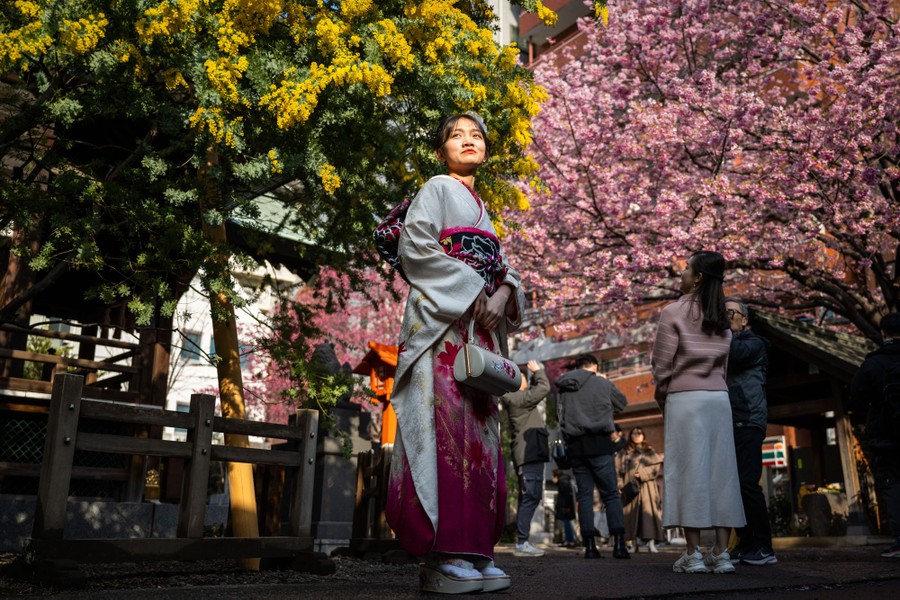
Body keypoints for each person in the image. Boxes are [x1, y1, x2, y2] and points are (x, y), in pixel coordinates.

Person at [384, 112, 525, 594]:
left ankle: (476, 551)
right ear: (442, 148)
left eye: (477, 136)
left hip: (479, 330)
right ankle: (442, 553)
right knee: (444, 429)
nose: (469, 141)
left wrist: (503, 294)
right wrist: (472, 290)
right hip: (444, 330)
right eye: (456, 136)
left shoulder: (481, 207)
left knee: (481, 436)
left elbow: (503, 268)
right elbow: (415, 248)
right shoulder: (436, 189)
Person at [651, 250, 745, 575]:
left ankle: (692, 554)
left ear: (698, 277)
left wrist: (662, 396)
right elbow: (725, 365)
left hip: (685, 399)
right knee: (722, 472)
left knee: (687, 471)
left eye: (687, 268)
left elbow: (662, 367)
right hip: (718, 398)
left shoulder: (672, 312)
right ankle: (721, 553)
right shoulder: (722, 317)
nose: (682, 273)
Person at [555, 353, 630, 559]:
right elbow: (622, 403)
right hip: (601, 444)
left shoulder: (564, 387)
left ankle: (589, 546)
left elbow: (558, 417)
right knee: (611, 495)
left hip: (576, 448)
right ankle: (619, 546)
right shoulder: (601, 383)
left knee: (585, 496)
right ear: (594, 367)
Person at [724, 298, 777, 566]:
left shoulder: (754, 343)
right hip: (728, 422)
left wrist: (722, 331)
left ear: (744, 320)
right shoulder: (726, 341)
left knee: (747, 483)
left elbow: (736, 353)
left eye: (730, 312)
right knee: (732, 487)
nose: (725, 316)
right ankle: (745, 544)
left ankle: (764, 547)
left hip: (748, 420)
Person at [850, 312, 900, 559]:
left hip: (884, 433)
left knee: (892, 484)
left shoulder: (873, 363)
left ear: (882, 334)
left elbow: (857, 396)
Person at [500, 360, 551, 557]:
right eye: (522, 377)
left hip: (530, 454)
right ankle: (522, 543)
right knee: (531, 496)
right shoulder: (516, 398)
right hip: (528, 455)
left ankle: (523, 541)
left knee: (528, 496)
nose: (525, 380)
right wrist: (538, 371)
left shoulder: (516, 398)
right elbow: (544, 387)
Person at [617, 427, 664, 553]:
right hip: (630, 487)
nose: (637, 435)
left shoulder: (650, 451)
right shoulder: (625, 452)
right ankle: (634, 544)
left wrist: (642, 473)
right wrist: (620, 486)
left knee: (648, 515)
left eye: (639, 433)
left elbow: (655, 467)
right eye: (634, 433)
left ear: (643, 435)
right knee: (631, 516)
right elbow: (618, 471)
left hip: (647, 487)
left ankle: (652, 543)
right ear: (630, 436)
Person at [553, 468, 578, 548]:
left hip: (566, 507)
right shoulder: (565, 481)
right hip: (567, 506)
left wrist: (565, 506)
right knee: (567, 523)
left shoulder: (563, 482)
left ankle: (570, 540)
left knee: (567, 523)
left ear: (556, 476)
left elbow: (566, 495)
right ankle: (569, 540)